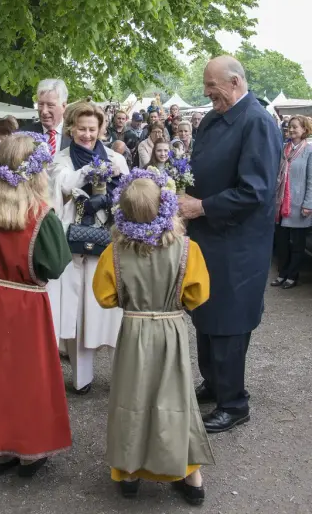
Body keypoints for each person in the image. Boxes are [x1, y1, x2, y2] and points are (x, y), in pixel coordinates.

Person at [93, 169, 214, 505]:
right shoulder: (188, 250)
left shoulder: (114, 253)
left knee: (131, 399)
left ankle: (129, 472)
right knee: (176, 400)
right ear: (167, 206)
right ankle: (191, 475)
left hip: (134, 331)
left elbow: (105, 297)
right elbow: (197, 296)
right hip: (170, 330)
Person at [179, 56, 282, 433]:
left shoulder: (257, 122)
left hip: (237, 243)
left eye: (211, 86)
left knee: (230, 319)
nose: (207, 93)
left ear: (235, 82)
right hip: (208, 235)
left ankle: (234, 402)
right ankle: (215, 383)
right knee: (205, 312)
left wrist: (201, 205)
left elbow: (256, 191)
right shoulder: (212, 118)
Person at [0, 133, 72, 477]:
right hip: (28, 300)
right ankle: (29, 450)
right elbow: (54, 264)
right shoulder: (41, 213)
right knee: (29, 375)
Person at [48, 102, 129, 393]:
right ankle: (82, 378)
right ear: (71, 128)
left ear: (101, 129)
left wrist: (109, 199)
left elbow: (129, 194)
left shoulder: (115, 159)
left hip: (107, 242)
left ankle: (122, 374)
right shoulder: (62, 159)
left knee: (109, 307)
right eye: (81, 128)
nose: (86, 134)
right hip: (74, 243)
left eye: (92, 129)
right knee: (78, 308)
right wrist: (85, 178)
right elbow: (59, 187)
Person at [272, 115, 312, 289]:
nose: (291, 129)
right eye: (289, 127)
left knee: (297, 245)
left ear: (304, 130)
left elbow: (311, 180)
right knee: (281, 242)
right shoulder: (283, 149)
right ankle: (282, 273)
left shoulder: (309, 151)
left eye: (295, 127)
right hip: (281, 203)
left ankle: (292, 276)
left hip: (298, 204)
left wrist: (308, 204)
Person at [25, 79, 71, 155]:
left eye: (50, 105)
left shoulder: (76, 135)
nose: (44, 111)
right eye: (40, 104)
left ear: (63, 106)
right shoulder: (24, 134)